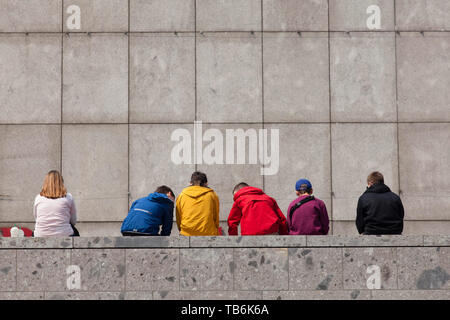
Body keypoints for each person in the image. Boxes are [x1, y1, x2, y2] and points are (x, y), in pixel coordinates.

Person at [33, 170, 78, 237]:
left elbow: (36, 217)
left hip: (41, 234)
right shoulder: (68, 197)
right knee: (76, 232)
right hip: (64, 233)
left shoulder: (38, 198)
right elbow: (73, 221)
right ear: (61, 182)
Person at [176, 172, 220, 236]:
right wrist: (215, 229)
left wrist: (181, 230)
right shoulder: (212, 195)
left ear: (190, 183)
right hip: (208, 233)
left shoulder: (182, 195)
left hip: (186, 233)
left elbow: (178, 216)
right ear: (206, 183)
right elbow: (216, 216)